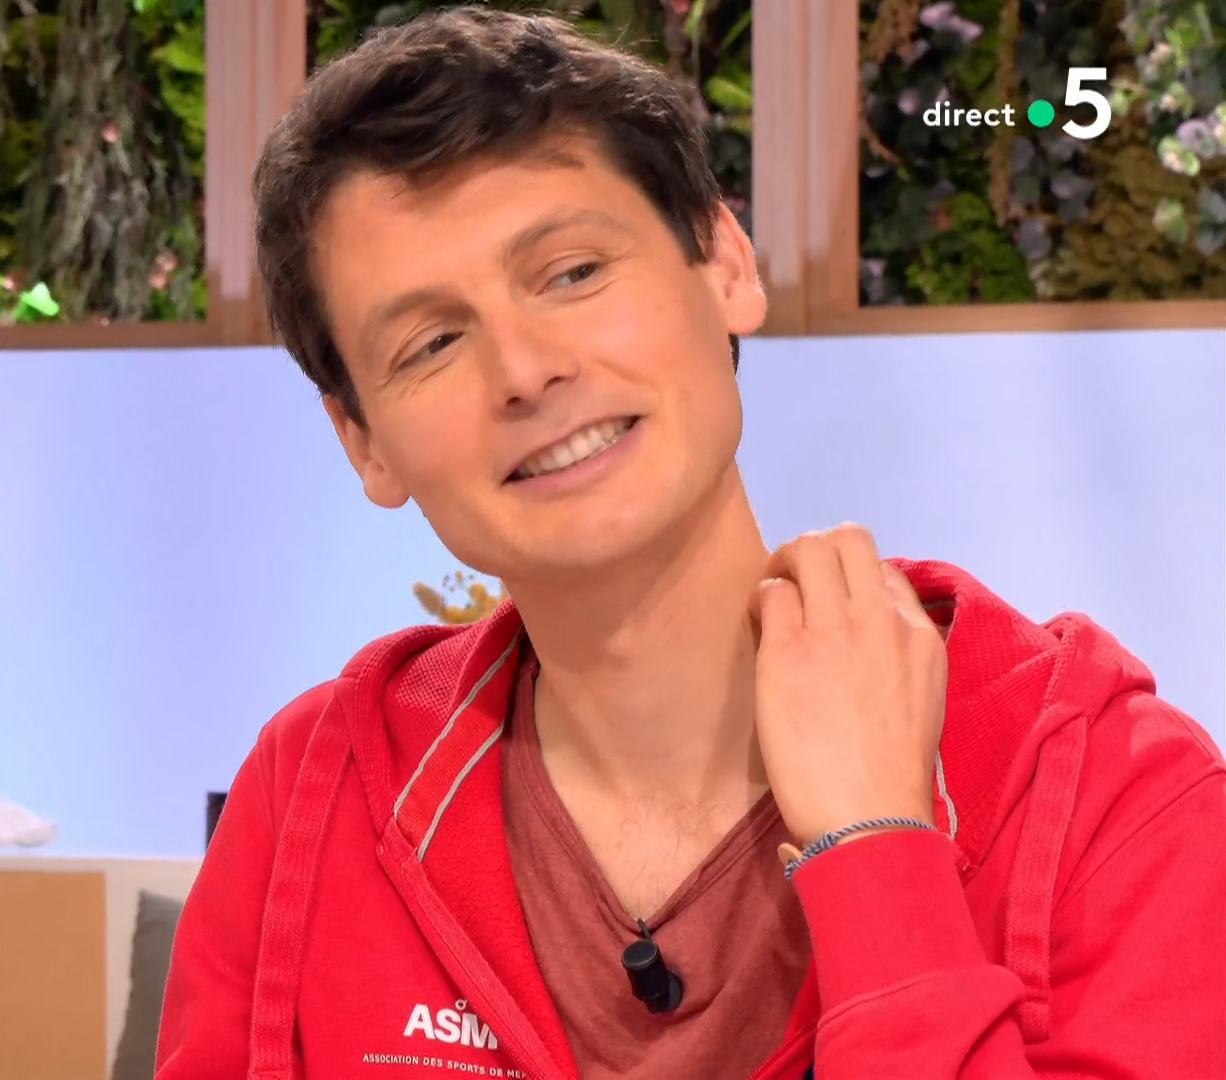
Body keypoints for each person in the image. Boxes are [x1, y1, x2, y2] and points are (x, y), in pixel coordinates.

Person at [154, 8, 1226, 1079]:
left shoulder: (1111, 794)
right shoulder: (314, 795)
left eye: (572, 273)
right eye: (432, 342)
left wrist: (877, 853)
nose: (524, 370)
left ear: (724, 265)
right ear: (362, 442)